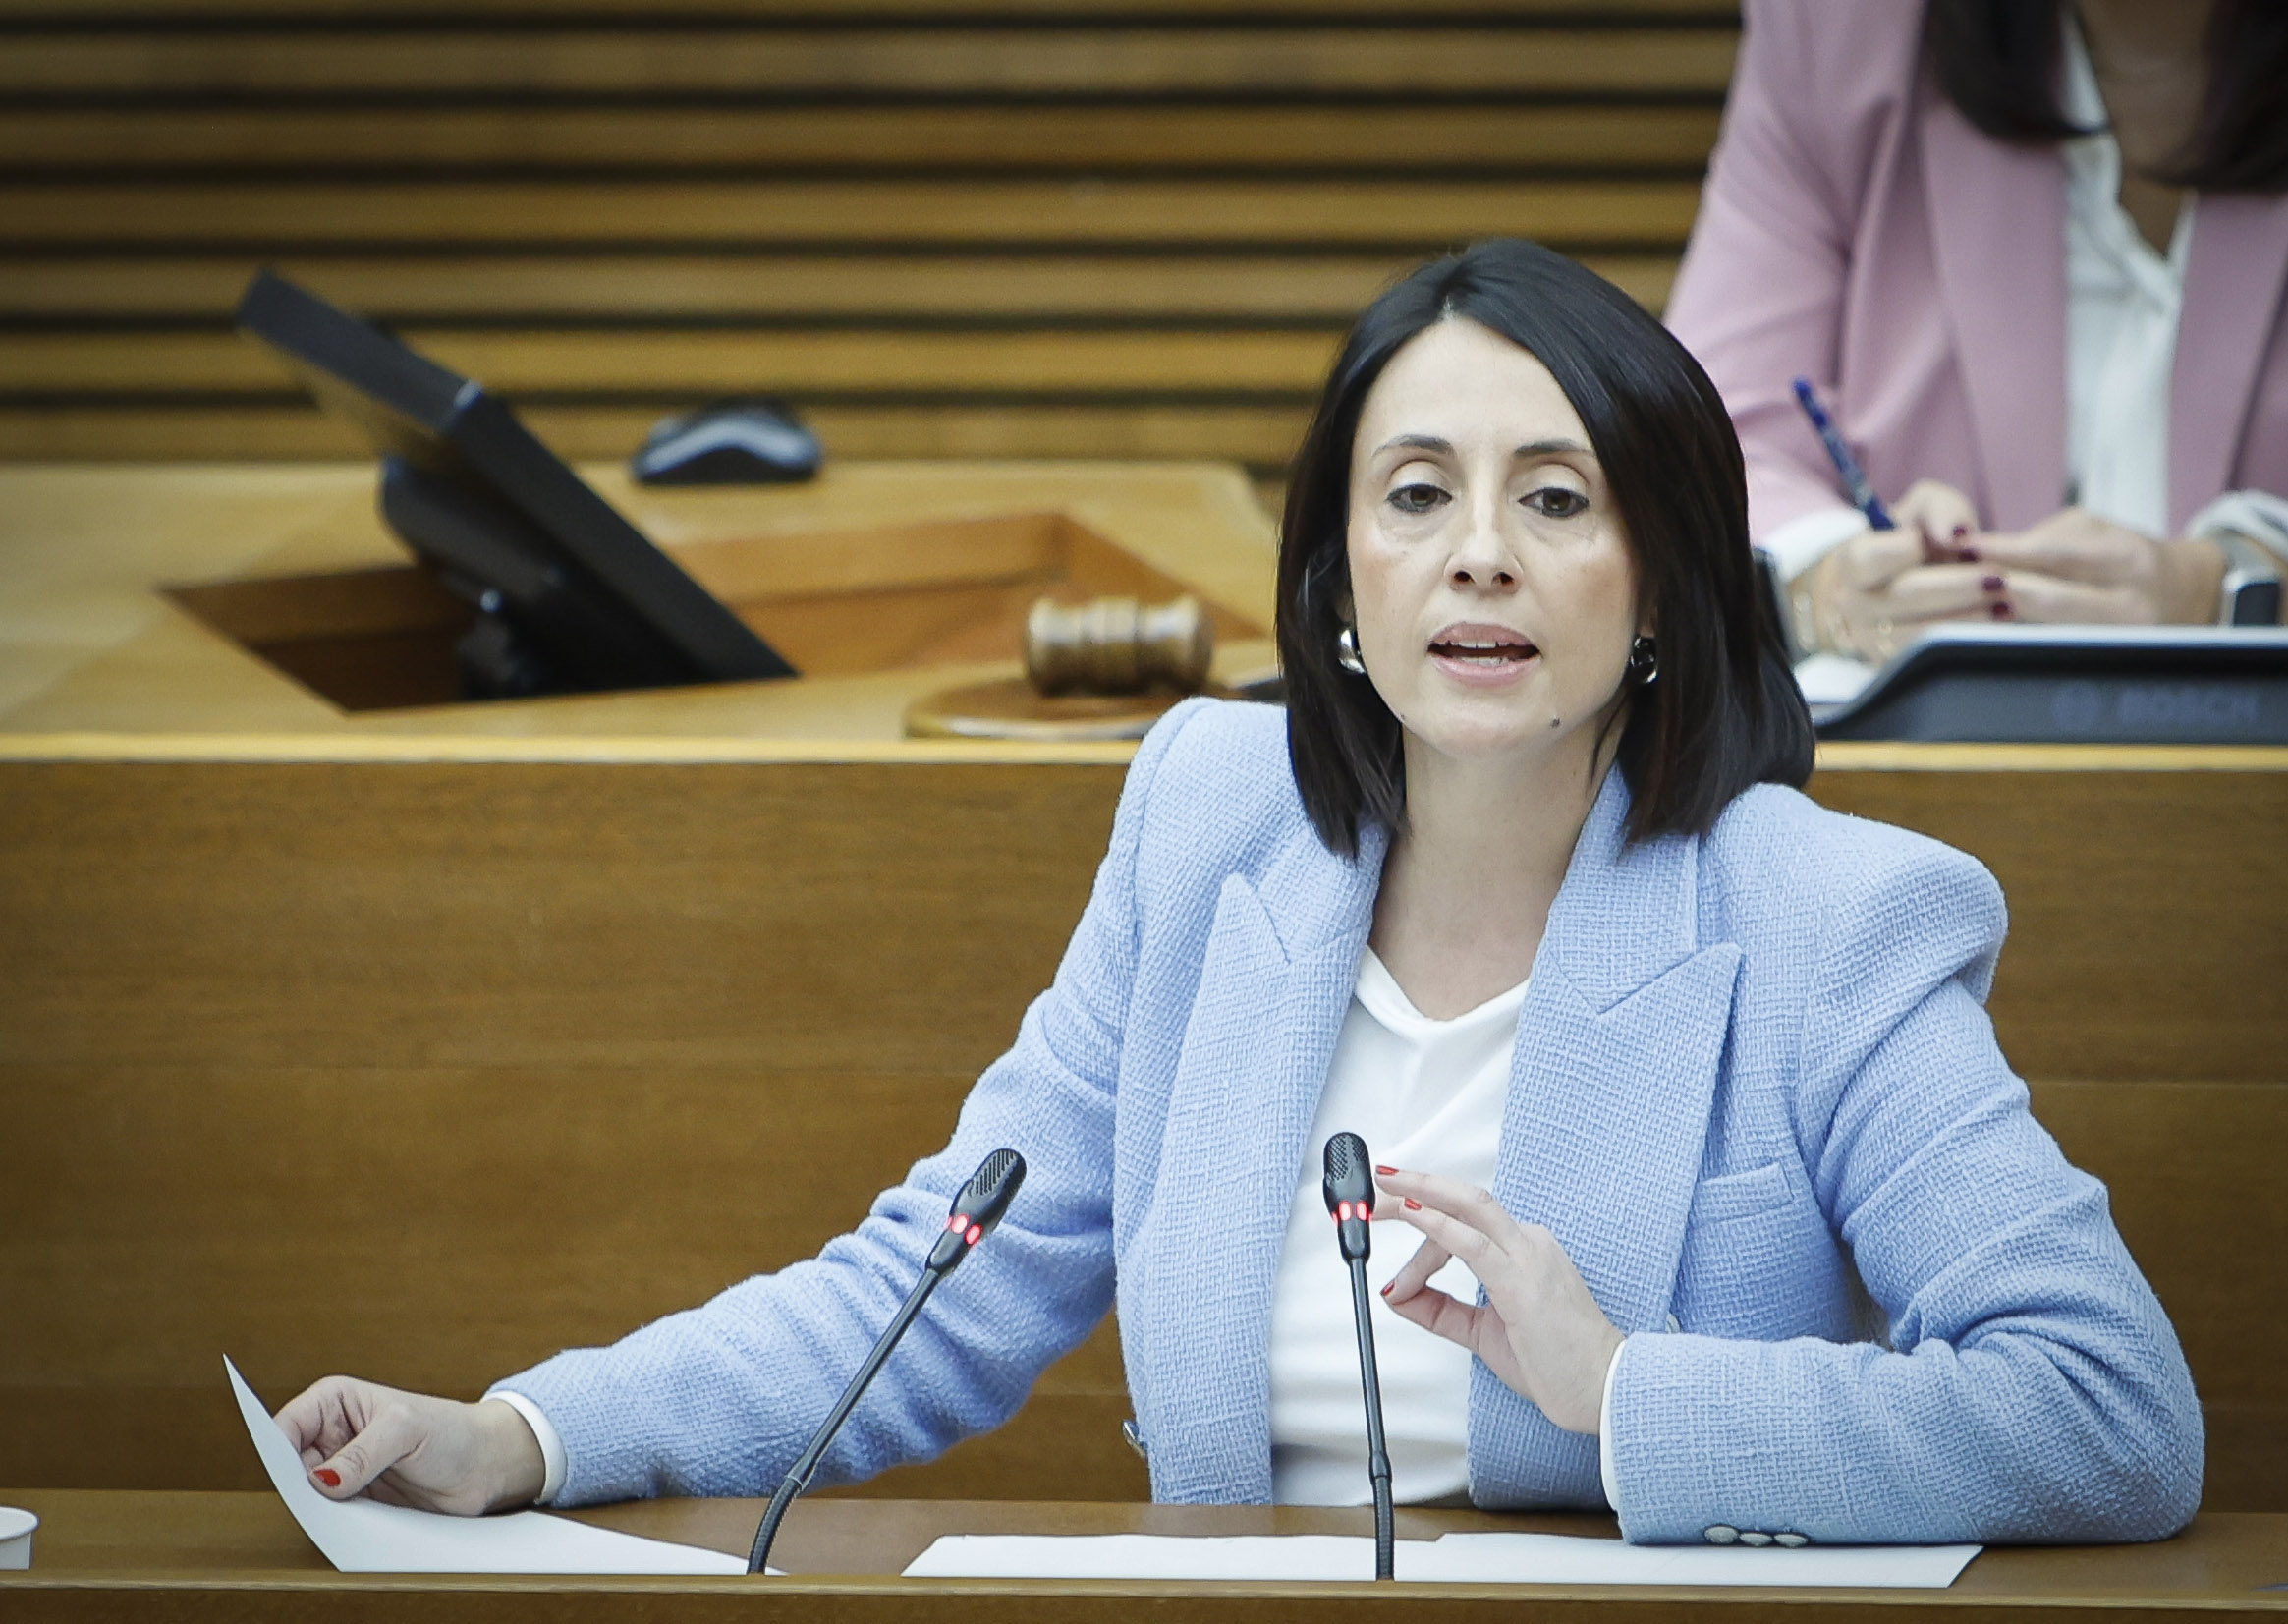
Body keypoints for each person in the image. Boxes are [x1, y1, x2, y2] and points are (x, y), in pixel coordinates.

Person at [274, 240, 2202, 1546]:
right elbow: (924, 1288)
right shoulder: (1214, 821)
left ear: (1666, 574)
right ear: (1337, 575)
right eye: (1416, 491)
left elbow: (2111, 1412)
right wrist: (519, 1437)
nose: (1478, 559)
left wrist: (1625, 1391)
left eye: (1556, 497)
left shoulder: (1824, 916)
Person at [1666, 0, 2288, 662]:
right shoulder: (1841, 26)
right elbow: (1699, 437)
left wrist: (2230, 587)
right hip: (1923, 754)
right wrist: (1828, 582)